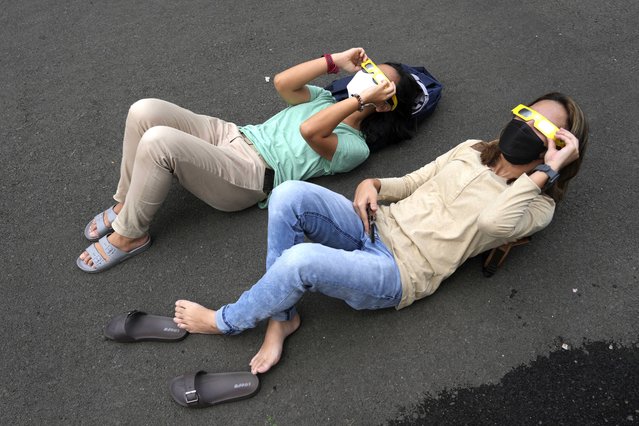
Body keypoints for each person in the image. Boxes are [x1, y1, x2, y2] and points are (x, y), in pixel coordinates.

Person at [173, 92, 589, 375]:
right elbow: (411, 181)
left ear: (558, 146)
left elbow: (491, 225)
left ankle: (225, 321)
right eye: (526, 115)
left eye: (545, 130)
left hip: (399, 272)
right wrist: (372, 185)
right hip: (378, 224)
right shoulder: (472, 149)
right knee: (287, 194)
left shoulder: (538, 206)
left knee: (301, 261)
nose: (527, 127)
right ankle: (283, 317)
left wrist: (544, 173)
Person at [77, 47, 422, 272]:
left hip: (251, 175)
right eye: (370, 69)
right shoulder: (323, 99)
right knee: (144, 111)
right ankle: (126, 205)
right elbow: (284, 83)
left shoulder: (356, 146)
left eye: (377, 81)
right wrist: (336, 61)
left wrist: (360, 99)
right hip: (233, 135)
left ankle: (131, 234)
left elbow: (310, 132)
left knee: (158, 143)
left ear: (383, 104)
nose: (365, 77)